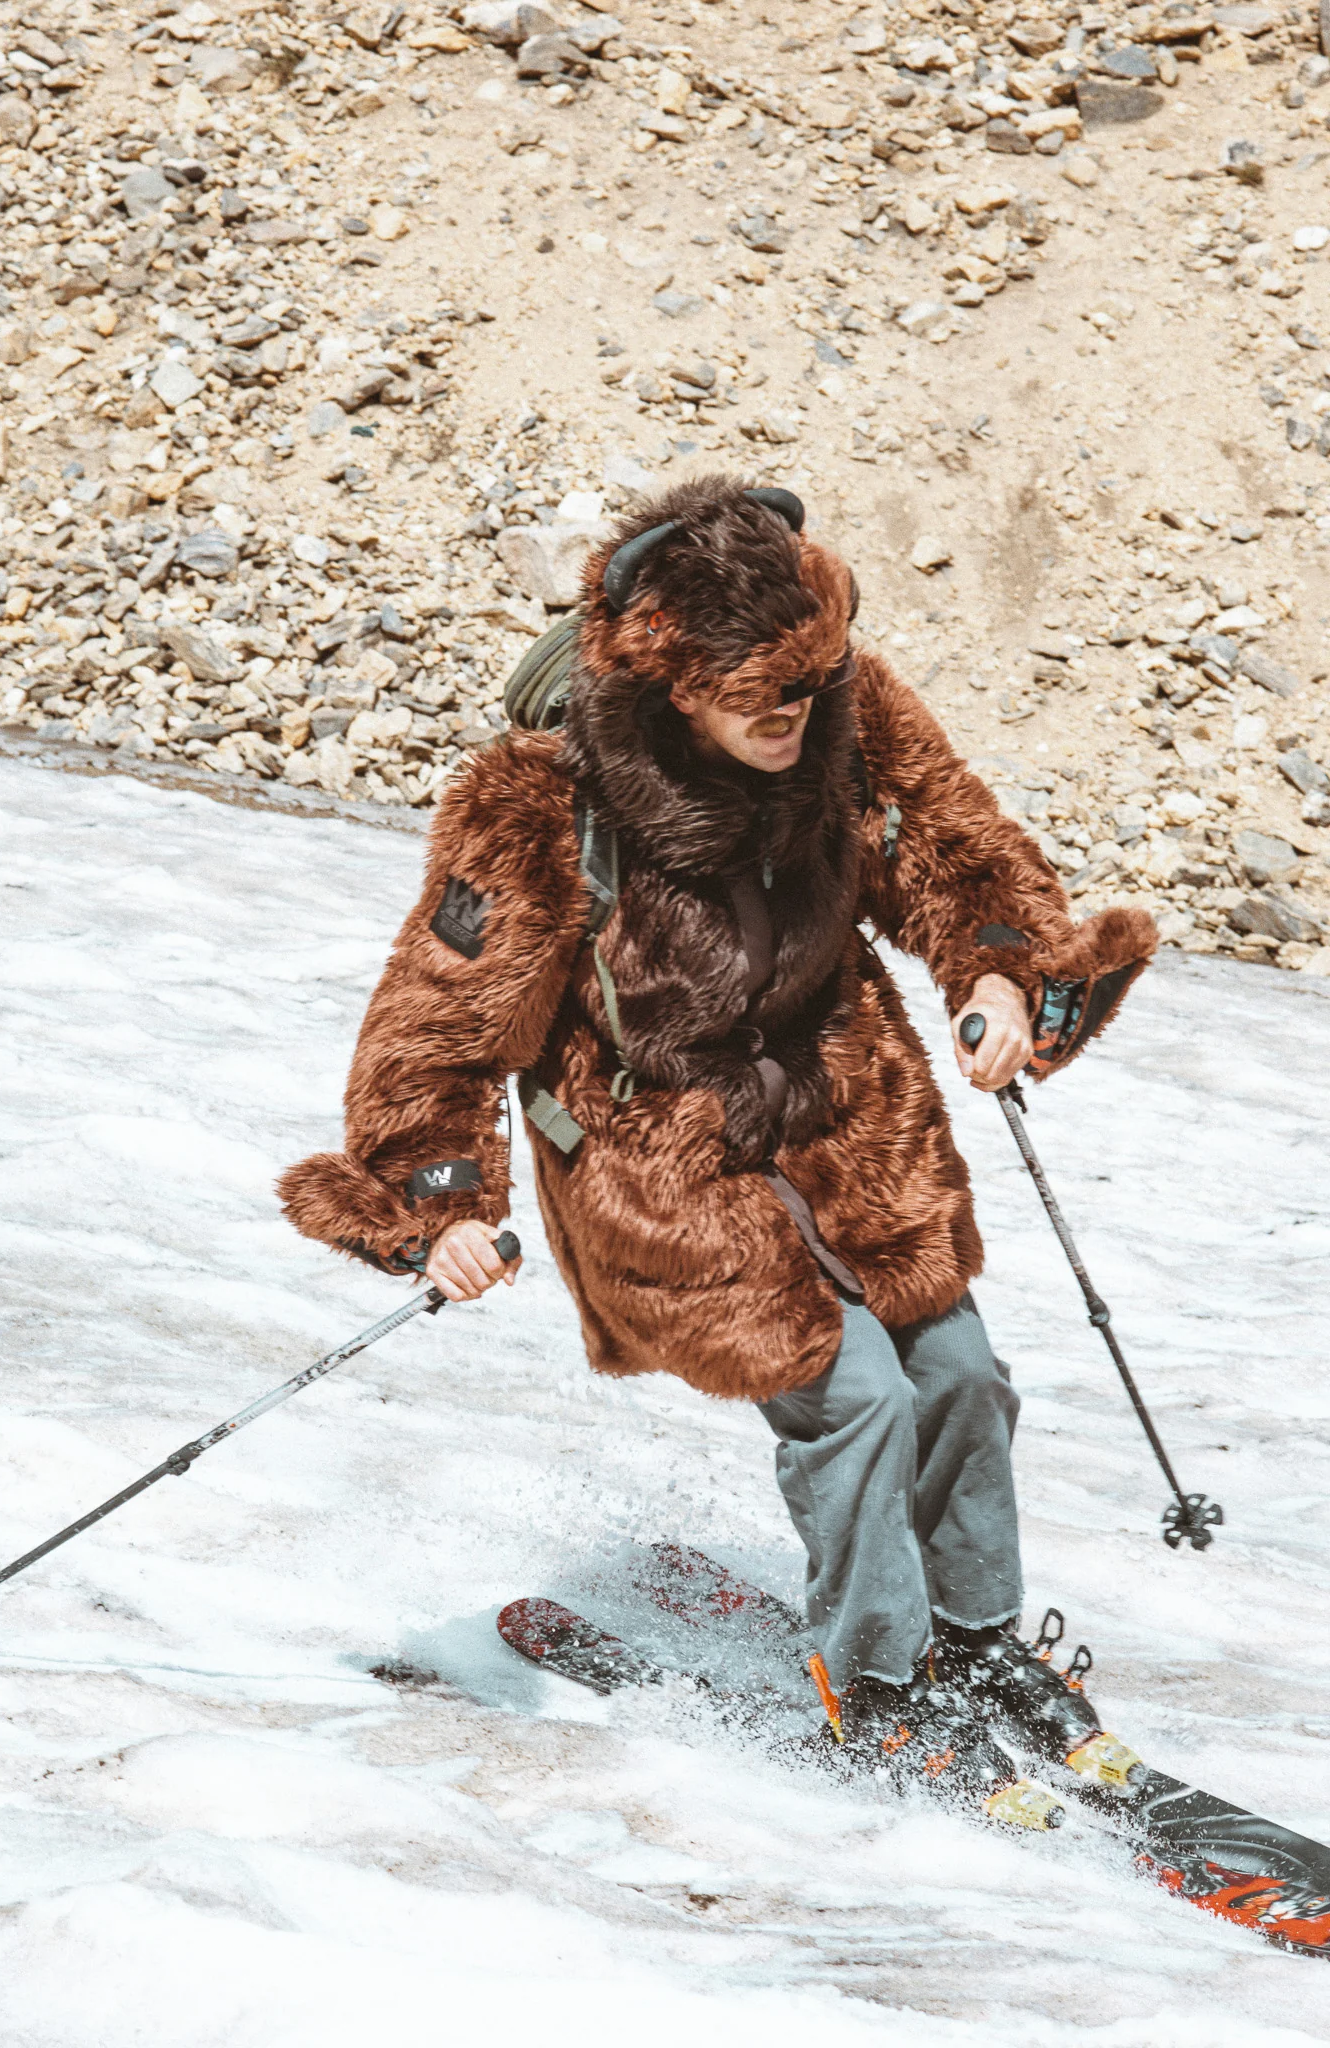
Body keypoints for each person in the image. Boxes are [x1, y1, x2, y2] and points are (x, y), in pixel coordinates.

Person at [280, 476, 1156, 1817]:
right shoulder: (542, 804)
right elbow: (439, 1029)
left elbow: (963, 854)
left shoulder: (842, 721)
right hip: (652, 1157)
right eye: (764, 697)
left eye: (810, 688)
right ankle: (879, 1693)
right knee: (854, 1393)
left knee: (962, 1374)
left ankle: (980, 1651)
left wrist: (997, 977)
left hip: (844, 1112)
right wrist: (435, 1202)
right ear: (672, 681)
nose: (796, 718)